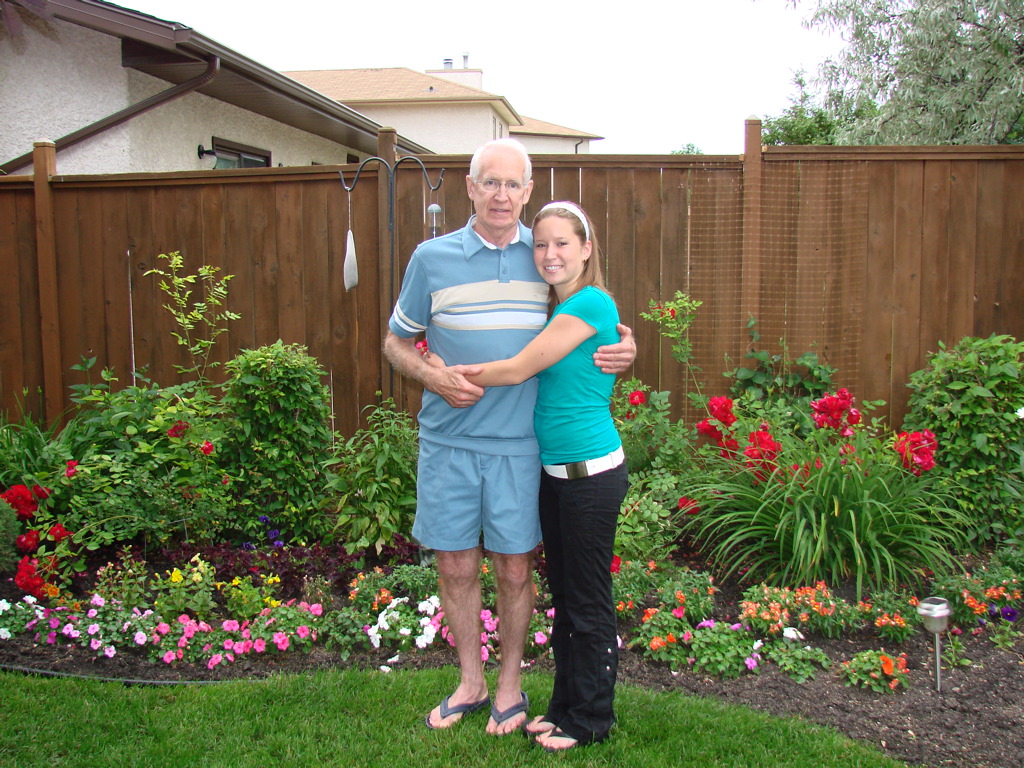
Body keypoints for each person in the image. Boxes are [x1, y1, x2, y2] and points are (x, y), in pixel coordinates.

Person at [382, 138, 635, 736]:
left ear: (527, 191)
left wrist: (624, 345)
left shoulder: (544, 257)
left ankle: (511, 687)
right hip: (446, 442)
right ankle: (470, 681)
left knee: (516, 570)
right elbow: (395, 341)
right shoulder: (431, 258)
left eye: (513, 184)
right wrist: (431, 376)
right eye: (488, 182)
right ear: (469, 188)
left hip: (521, 447)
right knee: (454, 563)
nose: (501, 194)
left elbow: (590, 317)